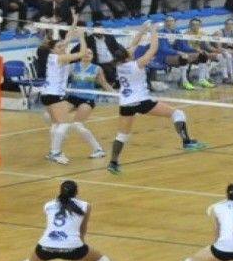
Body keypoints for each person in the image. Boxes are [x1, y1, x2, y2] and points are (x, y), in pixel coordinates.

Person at [0, 180, 130, 261]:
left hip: (45, 247)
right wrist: (79, 245)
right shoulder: (85, 206)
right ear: (76, 192)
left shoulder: (48, 205)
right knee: (101, 259)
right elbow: (82, 229)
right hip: (73, 248)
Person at [107, 22, 206, 175]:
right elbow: (153, 48)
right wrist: (153, 31)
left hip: (125, 104)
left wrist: (142, 29)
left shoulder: (119, 65)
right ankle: (187, 142)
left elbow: (134, 43)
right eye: (129, 51)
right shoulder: (137, 64)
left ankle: (113, 163)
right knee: (177, 113)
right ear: (128, 55)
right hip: (142, 101)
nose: (132, 50)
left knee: (122, 135)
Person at [42, 13, 86, 165]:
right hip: (54, 94)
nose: (63, 47)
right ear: (53, 50)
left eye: (63, 46)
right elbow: (82, 53)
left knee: (56, 124)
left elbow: (67, 37)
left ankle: (53, 151)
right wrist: (82, 37)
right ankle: (55, 153)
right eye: (60, 47)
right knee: (65, 123)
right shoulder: (60, 58)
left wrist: (74, 21)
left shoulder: (55, 55)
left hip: (47, 93)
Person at [62, 48, 115, 158]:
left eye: (90, 53)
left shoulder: (97, 69)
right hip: (72, 97)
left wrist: (116, 95)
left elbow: (104, 83)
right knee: (51, 116)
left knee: (77, 124)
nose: (87, 54)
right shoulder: (72, 66)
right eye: (85, 52)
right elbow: (61, 78)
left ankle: (98, 149)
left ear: (93, 56)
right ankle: (59, 140)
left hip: (87, 99)